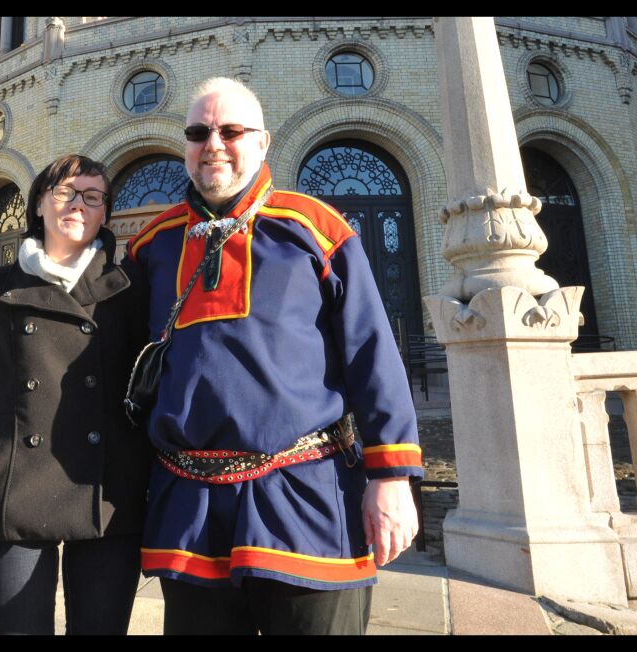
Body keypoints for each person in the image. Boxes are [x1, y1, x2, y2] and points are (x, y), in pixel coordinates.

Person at [126, 77, 423, 635]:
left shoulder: (316, 229)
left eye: (231, 131)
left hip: (306, 496)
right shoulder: (152, 244)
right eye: (198, 132)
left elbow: (372, 354)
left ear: (262, 143)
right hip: (189, 508)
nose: (213, 143)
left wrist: (392, 478)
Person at [0, 154, 151, 635]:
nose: (78, 204)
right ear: (39, 204)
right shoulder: (0, 286)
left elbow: (151, 381)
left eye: (92, 196)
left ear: (105, 213)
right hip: (15, 491)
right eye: (64, 192)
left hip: (106, 497)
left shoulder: (130, 286)